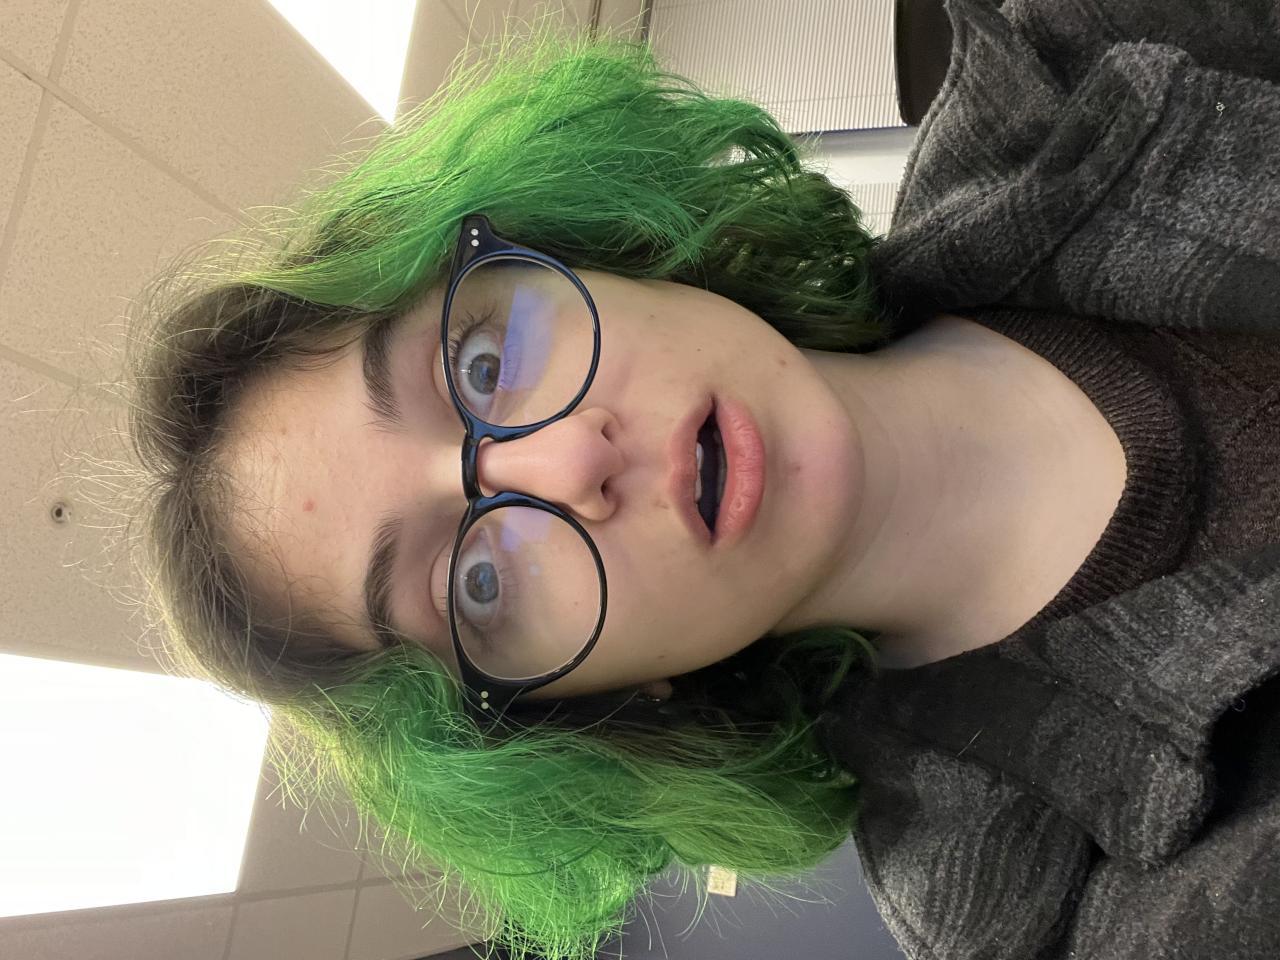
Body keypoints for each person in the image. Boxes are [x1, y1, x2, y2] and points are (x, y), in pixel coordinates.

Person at [124, 3, 1280, 959]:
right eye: (477, 582)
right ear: (590, 706)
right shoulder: (1041, 919)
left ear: (594, 253)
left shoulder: (1080, 42)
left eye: (480, 365)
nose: (570, 462)